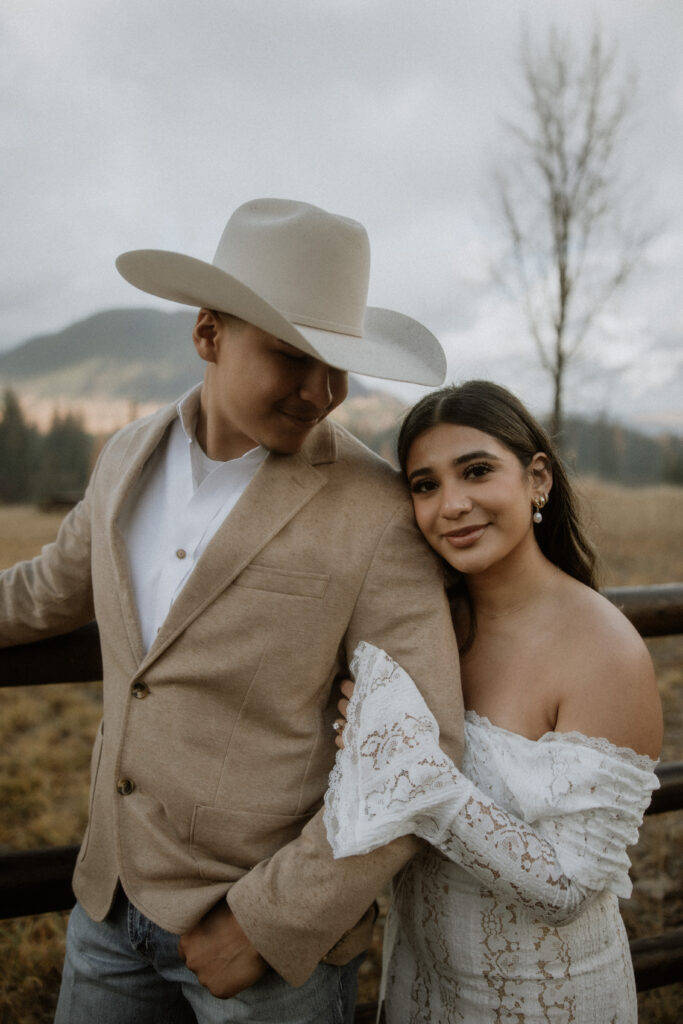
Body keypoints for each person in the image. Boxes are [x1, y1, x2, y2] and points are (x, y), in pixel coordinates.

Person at [0, 199, 465, 1024]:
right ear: (207, 334)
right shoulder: (123, 459)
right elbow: (45, 591)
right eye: (293, 357)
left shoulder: (376, 510)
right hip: (104, 912)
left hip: (265, 957)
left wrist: (269, 923)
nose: (323, 392)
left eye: (338, 365)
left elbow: (422, 747)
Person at [325, 380, 662, 1023]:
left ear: (538, 479)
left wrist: (409, 768)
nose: (452, 505)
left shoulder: (605, 651)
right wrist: (364, 732)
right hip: (417, 989)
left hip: (543, 1001)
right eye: (425, 485)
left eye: (476, 471)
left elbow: (567, 886)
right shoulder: (427, 631)